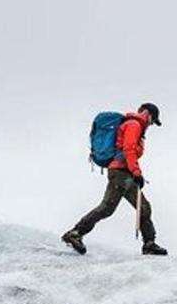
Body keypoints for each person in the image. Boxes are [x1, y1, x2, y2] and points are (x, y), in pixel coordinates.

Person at [62, 103, 168, 256]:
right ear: (147, 113)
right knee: (108, 208)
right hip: (120, 172)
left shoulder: (134, 125)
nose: (151, 123)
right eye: (153, 119)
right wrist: (136, 172)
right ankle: (75, 233)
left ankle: (149, 243)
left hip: (124, 173)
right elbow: (129, 148)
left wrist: (134, 173)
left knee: (142, 207)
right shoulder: (134, 124)